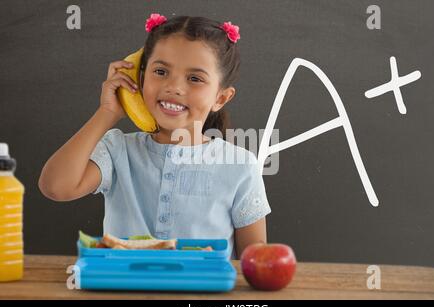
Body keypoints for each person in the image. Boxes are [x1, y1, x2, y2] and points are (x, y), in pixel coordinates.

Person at [38, 14, 271, 259]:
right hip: (123, 293)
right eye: (160, 71)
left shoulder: (240, 165)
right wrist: (107, 112)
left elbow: (255, 259)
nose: (174, 87)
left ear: (220, 98)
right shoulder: (117, 149)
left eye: (195, 78)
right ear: (139, 79)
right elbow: (55, 187)